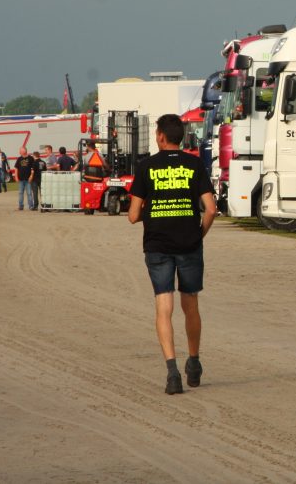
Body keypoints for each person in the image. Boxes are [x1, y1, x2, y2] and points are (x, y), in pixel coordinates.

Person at [128, 114, 218, 395]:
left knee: (163, 307)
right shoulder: (194, 164)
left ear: (160, 136)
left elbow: (132, 216)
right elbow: (211, 209)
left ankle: (172, 372)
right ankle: (194, 361)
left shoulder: (146, 167)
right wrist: (198, 234)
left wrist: (154, 211)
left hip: (158, 246)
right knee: (190, 304)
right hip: (189, 244)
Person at [14, 146, 36, 211]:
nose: (19, 152)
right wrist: (16, 177)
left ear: (24, 151)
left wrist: (31, 176)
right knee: (20, 193)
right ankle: (21, 206)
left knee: (29, 193)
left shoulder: (31, 158)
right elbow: (16, 168)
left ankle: (31, 206)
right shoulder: (19, 159)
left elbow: (33, 169)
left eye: (20, 150)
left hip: (28, 179)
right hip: (21, 179)